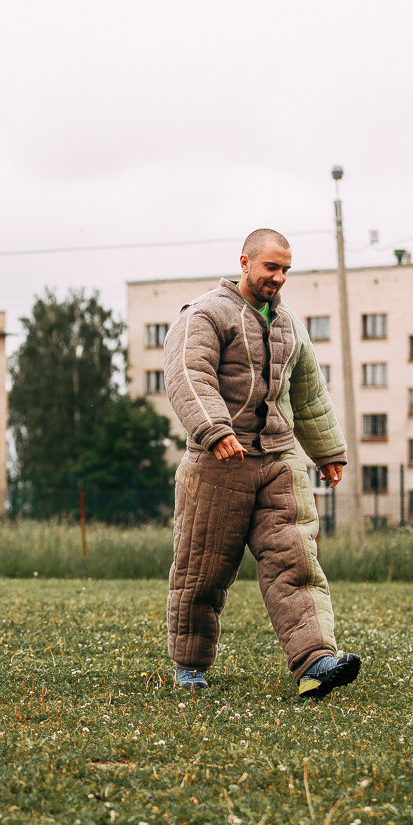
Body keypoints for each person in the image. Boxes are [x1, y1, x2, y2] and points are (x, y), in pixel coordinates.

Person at [162, 228, 360, 699]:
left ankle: (316, 662)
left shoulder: (289, 323)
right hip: (218, 463)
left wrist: (328, 452)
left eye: (286, 269)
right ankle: (190, 665)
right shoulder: (206, 313)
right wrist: (215, 430)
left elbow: (308, 393)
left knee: (296, 560)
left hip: (277, 459)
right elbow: (188, 372)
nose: (279, 277)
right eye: (271, 267)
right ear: (245, 261)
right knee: (203, 569)